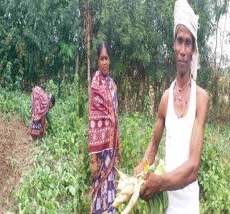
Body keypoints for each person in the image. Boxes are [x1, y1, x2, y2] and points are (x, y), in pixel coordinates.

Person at [133, 0, 209, 213]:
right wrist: (142, 169)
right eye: (179, 42)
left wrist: (158, 182)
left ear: (193, 49)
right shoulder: (166, 98)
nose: (183, 50)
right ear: (174, 46)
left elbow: (193, 167)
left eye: (188, 43)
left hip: (188, 206)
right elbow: (154, 144)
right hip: (166, 206)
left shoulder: (201, 98)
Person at [89, 41, 122, 214]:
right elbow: (92, 122)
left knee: (111, 188)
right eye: (101, 58)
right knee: (99, 189)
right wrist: (93, 160)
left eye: (106, 58)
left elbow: (115, 117)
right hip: (100, 152)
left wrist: (118, 143)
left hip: (111, 151)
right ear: (97, 61)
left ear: (110, 60)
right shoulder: (95, 85)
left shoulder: (113, 86)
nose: (104, 62)